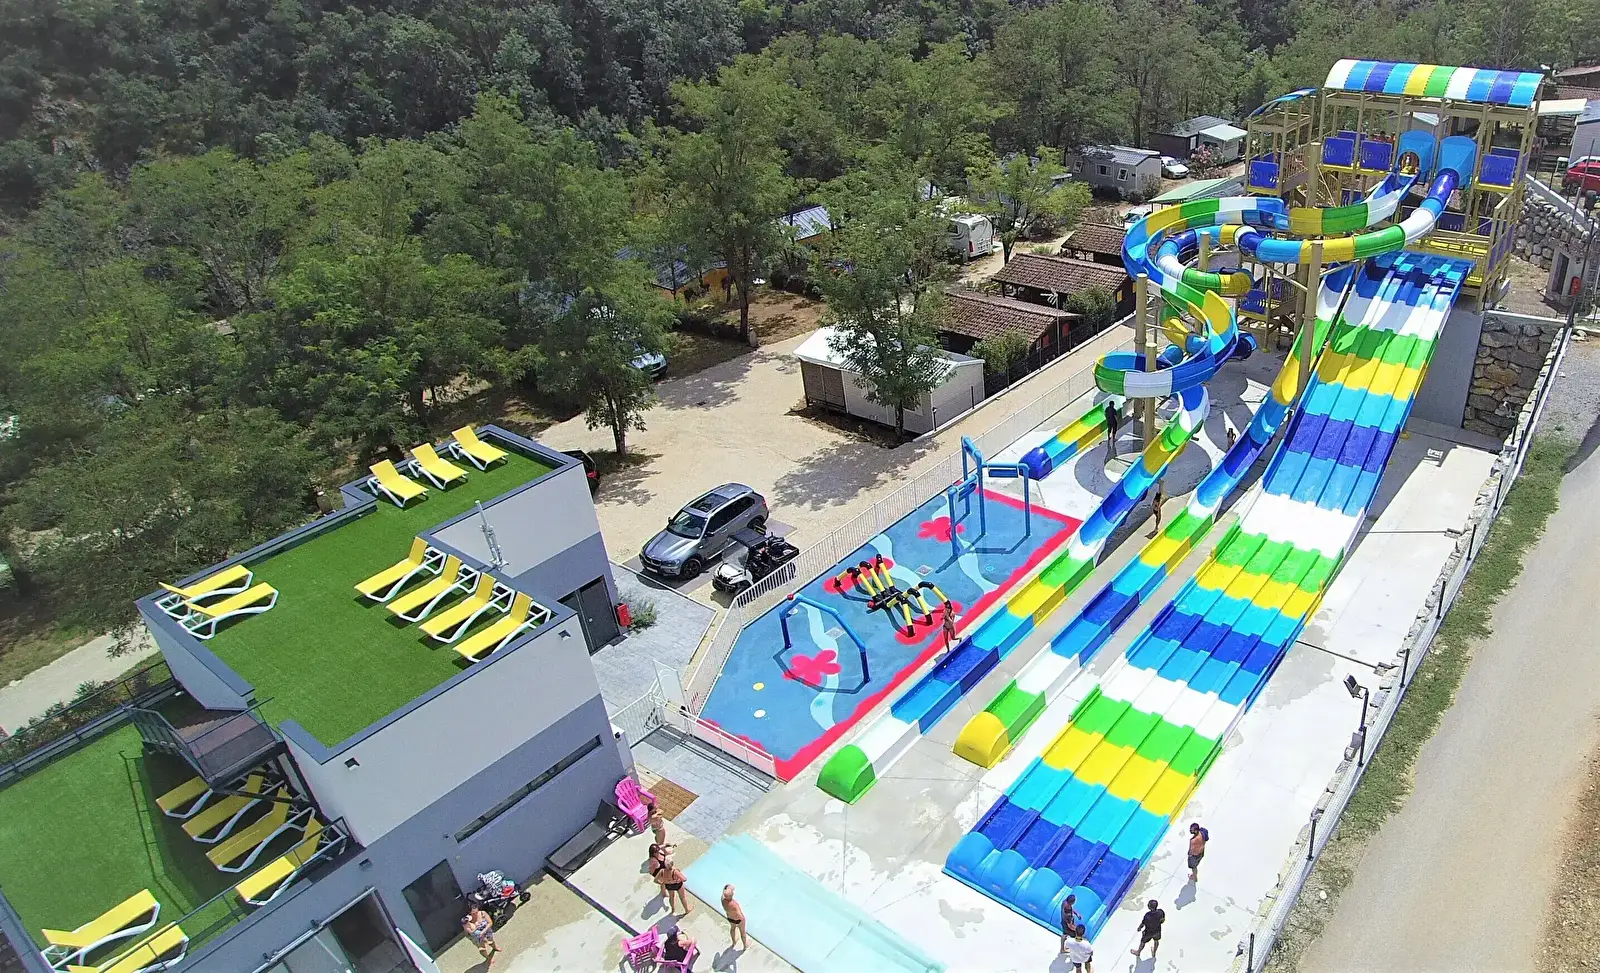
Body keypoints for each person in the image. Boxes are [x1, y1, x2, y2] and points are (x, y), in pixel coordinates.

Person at [722, 884, 748, 950]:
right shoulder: (734, 904)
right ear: (732, 895)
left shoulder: (723, 900)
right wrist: (743, 919)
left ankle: (734, 942)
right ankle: (745, 945)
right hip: (738, 920)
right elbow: (740, 915)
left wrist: (727, 888)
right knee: (742, 932)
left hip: (730, 919)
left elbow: (724, 891)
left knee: (732, 928)